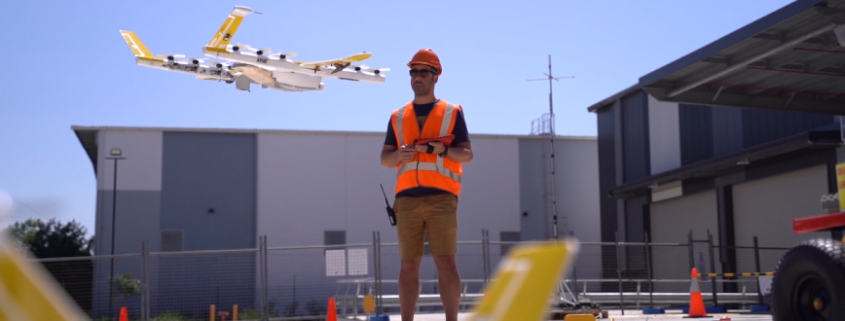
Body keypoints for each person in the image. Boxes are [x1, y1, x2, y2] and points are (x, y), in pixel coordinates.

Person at [380, 48, 473, 321]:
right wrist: (398, 155)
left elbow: (467, 154)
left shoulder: (451, 112)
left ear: (436, 76)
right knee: (408, 265)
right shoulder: (397, 116)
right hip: (406, 201)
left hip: (441, 200)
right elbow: (385, 159)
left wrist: (441, 151)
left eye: (423, 72)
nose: (417, 77)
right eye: (413, 72)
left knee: (446, 262)